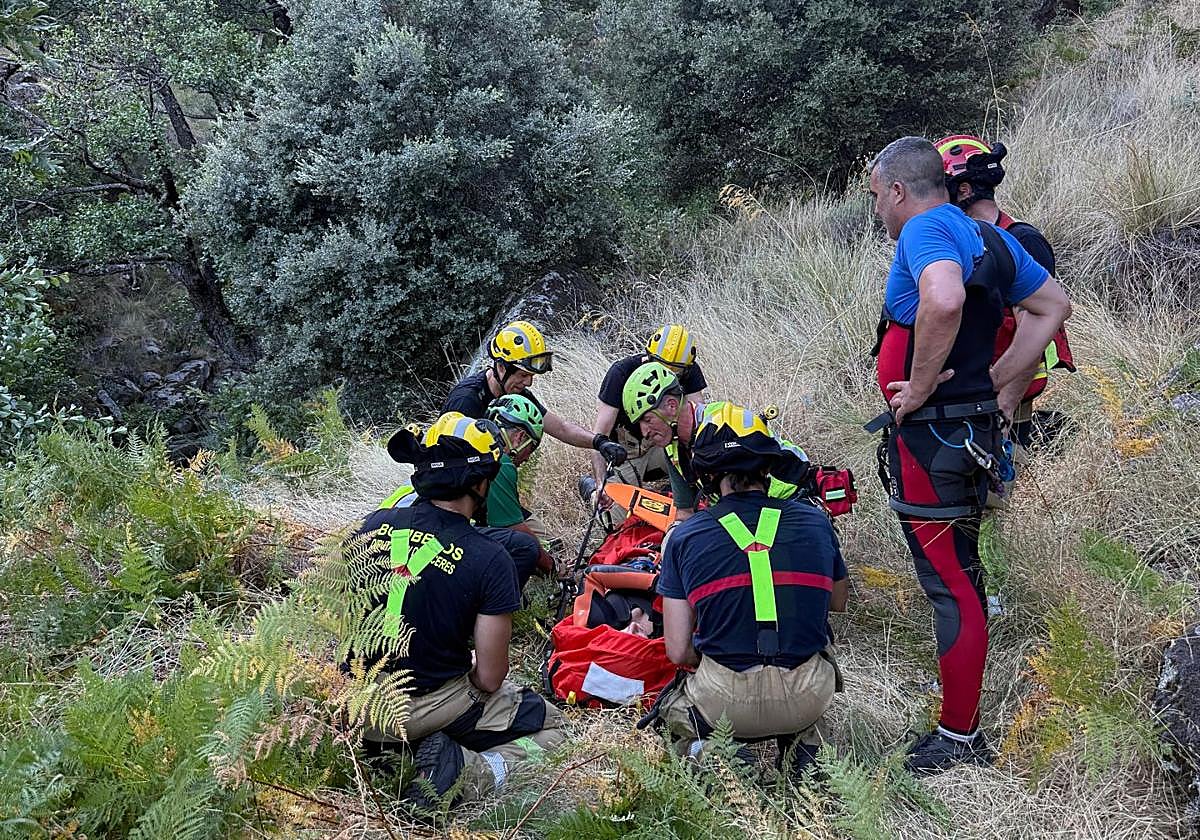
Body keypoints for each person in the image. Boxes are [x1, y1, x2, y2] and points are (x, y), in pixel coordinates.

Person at [866, 136, 1071, 774]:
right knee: (964, 574)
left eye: (877, 197)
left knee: (949, 586)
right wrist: (1000, 385)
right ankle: (962, 711)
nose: (878, 211)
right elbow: (1052, 308)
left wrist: (923, 385)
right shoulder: (986, 234)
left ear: (898, 191)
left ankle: (958, 737)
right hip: (973, 432)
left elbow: (945, 298)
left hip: (931, 438)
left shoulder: (924, 230)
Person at [353, 412, 565, 805]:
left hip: (357, 701)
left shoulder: (369, 525)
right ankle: (468, 773)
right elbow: (489, 677)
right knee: (551, 727)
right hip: (424, 704)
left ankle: (398, 757)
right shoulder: (490, 558)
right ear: (480, 482)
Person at [644, 402, 848, 773]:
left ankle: (714, 756)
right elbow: (837, 600)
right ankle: (807, 743)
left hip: (725, 702)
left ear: (707, 474)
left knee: (675, 711)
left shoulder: (684, 539)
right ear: (768, 466)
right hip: (807, 693)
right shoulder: (817, 522)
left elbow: (677, 651)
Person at [935, 135, 1076, 447]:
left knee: (1001, 484)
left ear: (964, 189)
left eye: (940, 189)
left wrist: (1005, 404)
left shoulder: (1023, 242)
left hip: (1007, 393)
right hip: (977, 389)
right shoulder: (965, 243)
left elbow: (1035, 330)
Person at [378, 398, 552, 589]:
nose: (528, 457)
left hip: (389, 533)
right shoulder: (496, 462)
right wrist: (552, 567)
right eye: (531, 448)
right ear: (519, 437)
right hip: (425, 545)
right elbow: (514, 529)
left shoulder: (440, 465)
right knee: (523, 547)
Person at [442, 320, 628, 466]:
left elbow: (561, 428)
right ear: (500, 366)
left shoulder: (516, 396)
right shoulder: (466, 400)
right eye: (523, 375)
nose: (528, 382)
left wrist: (600, 442)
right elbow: (445, 457)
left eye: (531, 376)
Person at [591, 324, 708, 491]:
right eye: (658, 367)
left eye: (675, 372)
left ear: (687, 369)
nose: (665, 376)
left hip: (666, 446)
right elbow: (598, 438)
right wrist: (600, 484)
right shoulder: (620, 374)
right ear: (647, 358)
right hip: (627, 456)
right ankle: (590, 488)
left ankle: (677, 489)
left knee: (699, 464)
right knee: (612, 512)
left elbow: (699, 422)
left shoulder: (690, 372)